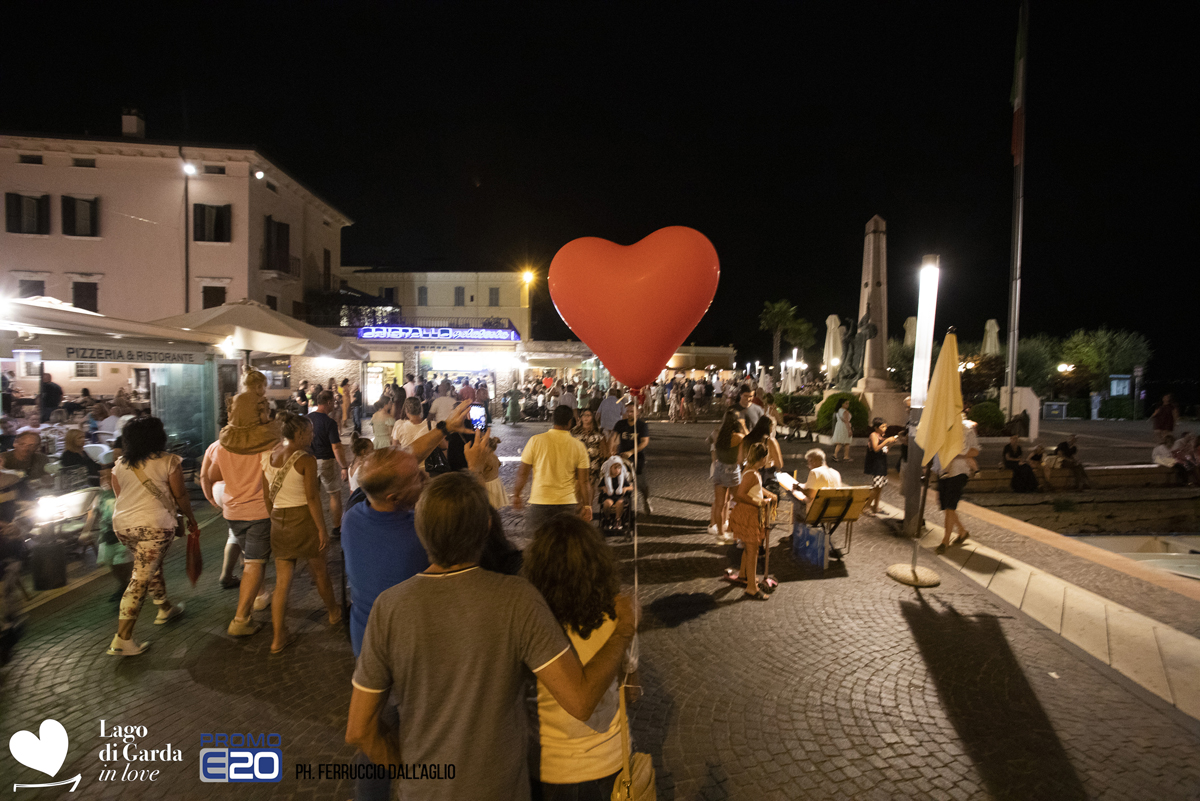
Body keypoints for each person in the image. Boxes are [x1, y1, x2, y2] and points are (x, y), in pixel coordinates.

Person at [345, 471, 637, 801]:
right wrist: (623, 628)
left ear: (419, 528)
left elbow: (359, 730)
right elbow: (580, 700)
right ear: (486, 527)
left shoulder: (388, 608)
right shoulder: (516, 598)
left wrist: (409, 774)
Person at [523, 515, 636, 798]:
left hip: (549, 766)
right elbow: (631, 692)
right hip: (608, 761)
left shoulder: (530, 625)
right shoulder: (620, 618)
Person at [107, 417, 198, 656]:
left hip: (124, 526)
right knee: (140, 578)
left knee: (148, 566)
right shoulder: (169, 461)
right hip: (155, 525)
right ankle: (122, 638)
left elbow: (120, 495)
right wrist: (189, 517)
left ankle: (165, 608)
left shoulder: (119, 465)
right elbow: (180, 494)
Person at [261, 412, 341, 653]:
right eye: (309, 432)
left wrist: (273, 518)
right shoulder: (305, 459)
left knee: (282, 582)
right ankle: (334, 613)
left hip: (279, 521)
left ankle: (277, 637)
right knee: (319, 572)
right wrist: (321, 529)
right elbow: (312, 497)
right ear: (298, 434)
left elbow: (266, 497)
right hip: (303, 520)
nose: (312, 435)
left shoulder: (268, 457)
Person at [512, 406, 593, 534]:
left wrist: (517, 494)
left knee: (538, 546)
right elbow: (584, 481)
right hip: (567, 503)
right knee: (564, 546)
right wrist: (587, 506)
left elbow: (523, 472)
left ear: (553, 420)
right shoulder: (579, 446)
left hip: (540, 501)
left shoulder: (535, 441)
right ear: (569, 422)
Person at [726, 442, 776, 600]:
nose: (767, 461)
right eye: (766, 458)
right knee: (753, 549)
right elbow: (739, 494)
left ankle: (743, 574)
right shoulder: (752, 474)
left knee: (749, 547)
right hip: (750, 513)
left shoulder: (751, 471)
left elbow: (755, 488)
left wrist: (768, 494)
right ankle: (751, 588)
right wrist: (760, 502)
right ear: (761, 458)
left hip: (749, 512)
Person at [83, 470, 131, 602]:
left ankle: (127, 588)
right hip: (106, 536)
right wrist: (86, 530)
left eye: (108, 476)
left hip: (123, 536)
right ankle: (123, 585)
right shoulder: (100, 495)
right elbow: (92, 513)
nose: (104, 479)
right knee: (112, 564)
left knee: (122, 562)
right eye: (102, 476)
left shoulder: (124, 492)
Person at [935, 416, 980, 554]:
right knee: (944, 504)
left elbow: (975, 451)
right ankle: (962, 531)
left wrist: (956, 455)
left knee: (950, 505)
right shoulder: (941, 426)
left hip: (959, 471)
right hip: (943, 470)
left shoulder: (967, 429)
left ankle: (945, 541)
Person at [308, 391, 349, 539]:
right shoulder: (329, 422)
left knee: (312, 496)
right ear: (329, 402)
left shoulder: (308, 419)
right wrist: (344, 466)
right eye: (334, 402)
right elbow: (336, 447)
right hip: (326, 461)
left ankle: (313, 527)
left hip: (310, 461)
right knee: (334, 495)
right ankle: (336, 527)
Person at [218, 370, 282, 455]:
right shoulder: (260, 400)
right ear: (259, 386)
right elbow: (264, 420)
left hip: (232, 435)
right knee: (278, 433)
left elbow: (230, 418)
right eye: (264, 387)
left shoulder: (235, 398)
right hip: (253, 436)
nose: (265, 390)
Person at [0, 431, 50, 522]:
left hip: (35, 499)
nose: (26, 448)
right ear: (15, 443)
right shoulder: (3, 459)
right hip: (11, 505)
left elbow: (48, 479)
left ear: (37, 447)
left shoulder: (42, 459)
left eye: (31, 445)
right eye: (23, 444)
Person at [791, 448, 844, 516]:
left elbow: (810, 494)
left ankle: (799, 524)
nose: (808, 466)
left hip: (818, 511)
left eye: (809, 462)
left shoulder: (815, 472)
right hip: (835, 510)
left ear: (814, 461)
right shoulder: (836, 472)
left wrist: (798, 488)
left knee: (793, 494)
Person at [572, 409, 609, 507]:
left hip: (593, 463)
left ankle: (588, 506)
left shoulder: (599, 434)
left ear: (592, 417)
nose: (586, 417)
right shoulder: (574, 432)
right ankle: (578, 507)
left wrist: (605, 464)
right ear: (581, 417)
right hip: (577, 463)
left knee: (590, 485)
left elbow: (605, 451)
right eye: (584, 415)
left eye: (588, 415)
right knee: (578, 484)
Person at [863, 418, 899, 514]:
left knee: (880, 487)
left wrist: (891, 443)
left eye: (885, 426)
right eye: (882, 426)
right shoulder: (873, 435)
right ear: (875, 427)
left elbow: (885, 449)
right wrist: (887, 441)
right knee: (876, 487)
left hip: (882, 463)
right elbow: (876, 448)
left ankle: (875, 506)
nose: (885, 428)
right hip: (876, 464)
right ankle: (866, 507)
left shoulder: (881, 436)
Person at [597, 456, 633, 530]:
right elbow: (599, 487)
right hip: (609, 496)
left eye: (619, 468)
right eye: (615, 468)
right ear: (610, 468)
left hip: (620, 497)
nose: (617, 470)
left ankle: (618, 520)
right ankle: (608, 519)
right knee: (607, 503)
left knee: (620, 503)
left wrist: (625, 488)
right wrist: (603, 488)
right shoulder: (606, 478)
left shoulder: (622, 478)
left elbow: (631, 487)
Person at [831, 398, 852, 463]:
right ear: (842, 404)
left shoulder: (839, 410)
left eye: (848, 403)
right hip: (844, 427)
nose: (847, 405)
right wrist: (849, 430)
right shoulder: (844, 411)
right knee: (846, 442)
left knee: (840, 442)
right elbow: (846, 421)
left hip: (839, 426)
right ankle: (846, 456)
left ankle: (835, 455)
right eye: (846, 403)